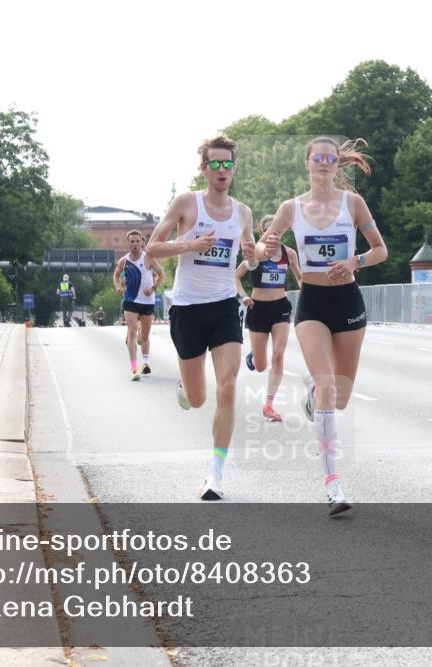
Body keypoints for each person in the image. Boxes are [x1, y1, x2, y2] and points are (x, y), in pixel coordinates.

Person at [257, 136, 387, 516]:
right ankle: (333, 484)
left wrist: (355, 263)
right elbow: (269, 245)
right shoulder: (290, 208)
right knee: (330, 387)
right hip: (312, 302)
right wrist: (263, 248)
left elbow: (381, 249)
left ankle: (313, 391)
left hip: (346, 301)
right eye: (319, 158)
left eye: (331, 159)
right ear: (308, 163)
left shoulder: (353, 204)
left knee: (339, 397)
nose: (325, 164)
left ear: (336, 165)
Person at [146, 134, 257, 502]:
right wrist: (189, 245)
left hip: (224, 305)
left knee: (227, 385)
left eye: (228, 164)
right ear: (204, 168)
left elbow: (251, 259)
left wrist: (254, 254)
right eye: (216, 164)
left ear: (234, 168)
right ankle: (185, 386)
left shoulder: (243, 212)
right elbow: (151, 249)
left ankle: (216, 473)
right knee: (197, 398)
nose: (222, 170)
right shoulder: (186, 204)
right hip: (188, 309)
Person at [235, 214, 303, 422]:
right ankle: (253, 357)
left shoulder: (289, 253)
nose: (273, 233)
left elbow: (300, 277)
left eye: (277, 229)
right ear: (261, 233)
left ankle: (269, 404)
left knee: (279, 356)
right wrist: (244, 297)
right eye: (268, 229)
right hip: (258, 308)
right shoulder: (255, 254)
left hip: (280, 307)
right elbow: (236, 277)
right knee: (261, 364)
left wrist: (310, 296)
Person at [114, 231, 164, 380]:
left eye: (137, 242)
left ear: (142, 243)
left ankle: (146, 363)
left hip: (147, 302)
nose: (135, 244)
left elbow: (161, 275)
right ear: (128, 243)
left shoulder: (148, 257)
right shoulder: (123, 261)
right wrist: (118, 287)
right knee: (132, 331)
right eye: (132, 242)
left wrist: (153, 288)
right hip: (131, 300)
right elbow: (116, 276)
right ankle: (134, 368)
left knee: (144, 336)